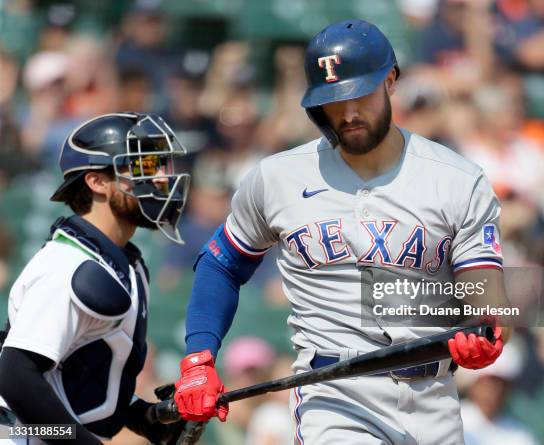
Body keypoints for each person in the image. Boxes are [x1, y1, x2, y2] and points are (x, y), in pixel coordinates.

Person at [176, 19, 511, 444]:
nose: (347, 113)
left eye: (359, 94)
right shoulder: (278, 177)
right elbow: (222, 263)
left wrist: (487, 328)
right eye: (333, 100)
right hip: (334, 393)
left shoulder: (457, 179)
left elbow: (490, 300)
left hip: (434, 397)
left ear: (391, 80)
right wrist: (199, 358)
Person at [0, 112, 190, 444]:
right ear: (96, 181)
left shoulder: (125, 265)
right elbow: (16, 377)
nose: (158, 176)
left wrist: (141, 416)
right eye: (142, 165)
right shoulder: (66, 265)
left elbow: (79, 374)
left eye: (157, 164)